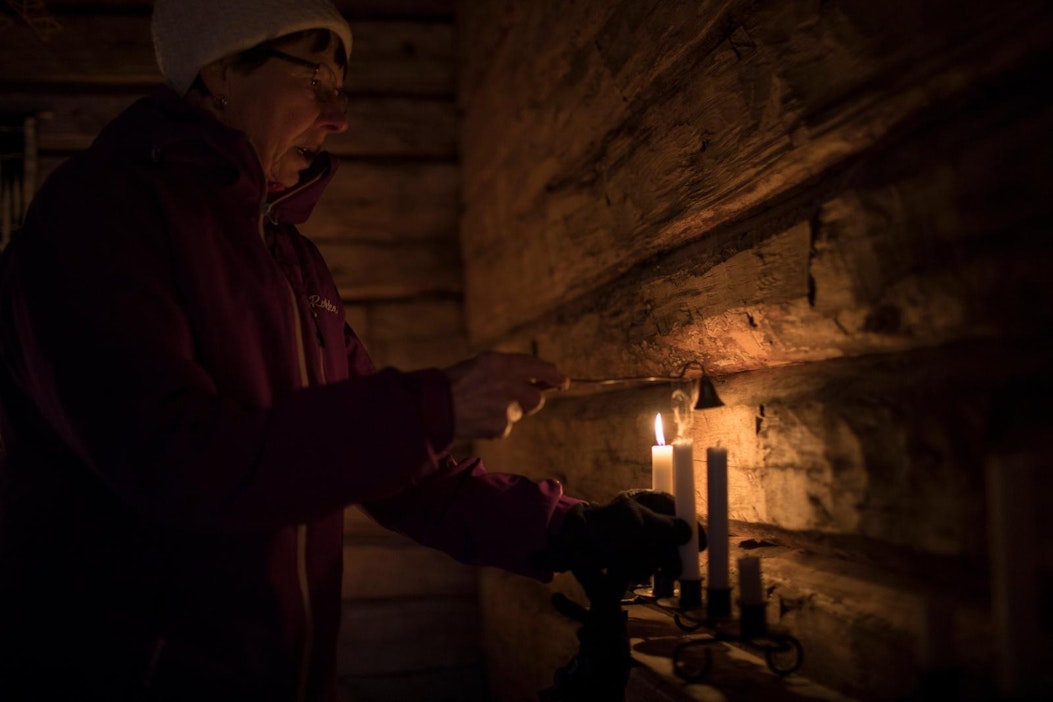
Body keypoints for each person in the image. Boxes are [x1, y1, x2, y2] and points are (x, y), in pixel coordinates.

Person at [0, 1, 695, 700]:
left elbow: (397, 471)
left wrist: (568, 529)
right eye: (316, 82)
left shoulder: (291, 260)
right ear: (218, 72)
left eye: (342, 89)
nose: (339, 117)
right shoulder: (99, 213)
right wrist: (438, 404)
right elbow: (175, 460)